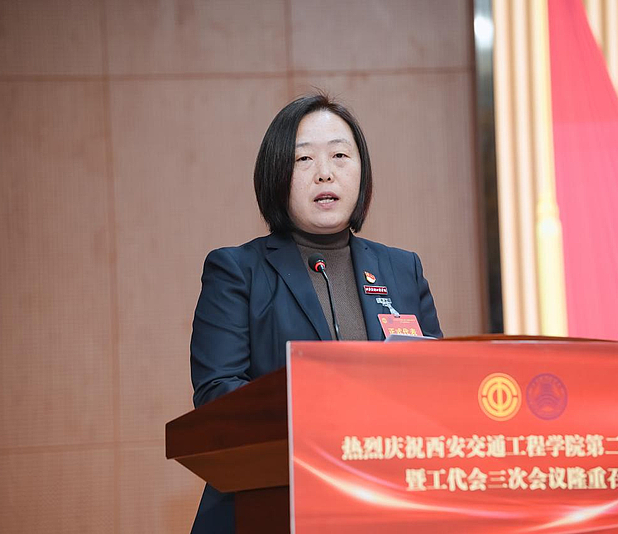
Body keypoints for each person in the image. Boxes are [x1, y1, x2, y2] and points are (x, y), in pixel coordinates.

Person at [188, 93, 442, 533]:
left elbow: (438, 387)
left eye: (340, 155)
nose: (325, 172)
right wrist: (331, 413)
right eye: (303, 159)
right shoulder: (238, 271)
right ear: (276, 175)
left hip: (384, 506)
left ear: (361, 171)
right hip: (269, 506)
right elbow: (218, 395)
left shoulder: (403, 270)